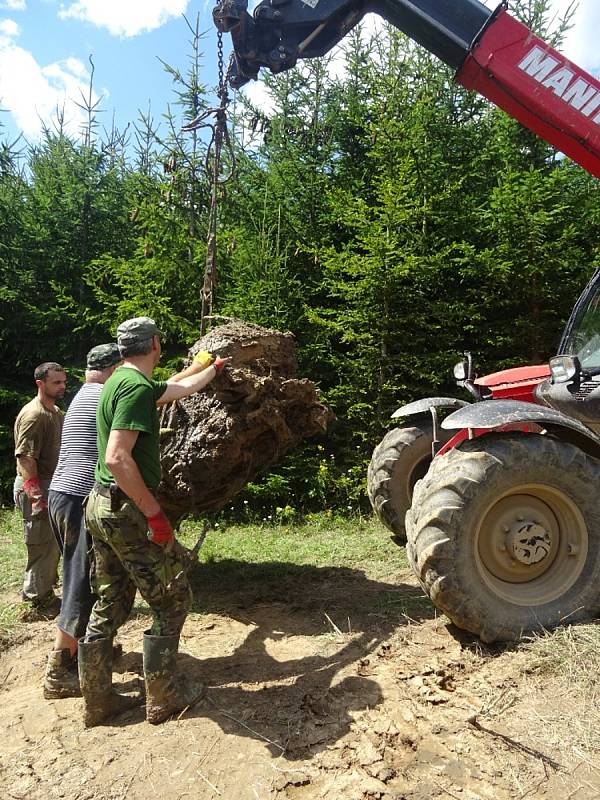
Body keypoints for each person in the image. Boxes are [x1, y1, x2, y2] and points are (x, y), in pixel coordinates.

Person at [80, 317, 230, 727]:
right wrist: (153, 512)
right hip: (125, 511)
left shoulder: (119, 381)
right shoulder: (133, 388)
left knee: (111, 600)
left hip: (100, 506)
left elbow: (178, 389)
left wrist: (209, 370)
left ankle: (98, 700)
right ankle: (164, 696)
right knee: (172, 598)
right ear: (156, 344)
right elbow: (116, 457)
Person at [43, 344, 122, 700]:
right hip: (76, 500)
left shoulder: (83, 394)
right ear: (115, 368)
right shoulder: (105, 395)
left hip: (61, 496)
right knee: (80, 582)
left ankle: (82, 654)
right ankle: (59, 671)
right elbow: (157, 398)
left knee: (85, 575)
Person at [14, 362, 67, 619]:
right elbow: (25, 457)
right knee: (41, 543)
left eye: (63, 382)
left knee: (52, 543)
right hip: (35, 485)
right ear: (40, 384)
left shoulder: (55, 412)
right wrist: (35, 495)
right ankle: (36, 602)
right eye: (56, 382)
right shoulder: (34, 414)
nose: (62, 387)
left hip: (52, 484)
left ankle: (44, 591)